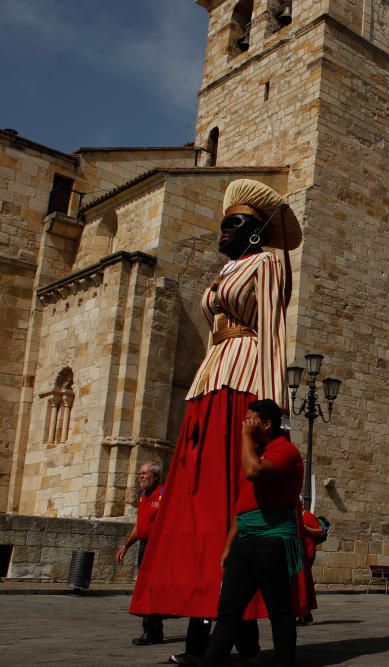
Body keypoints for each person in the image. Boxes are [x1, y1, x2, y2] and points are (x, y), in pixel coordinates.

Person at [129, 179, 300, 666]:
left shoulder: (267, 263)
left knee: (229, 496)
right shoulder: (226, 270)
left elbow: (271, 327)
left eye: (235, 224)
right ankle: (221, 626)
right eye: (223, 224)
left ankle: (225, 635)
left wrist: (270, 408)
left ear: (255, 233)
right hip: (212, 378)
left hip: (244, 376)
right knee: (199, 501)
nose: (223, 231)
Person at [202, 399, 304, 667]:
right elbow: (244, 509)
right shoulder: (256, 452)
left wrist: (246, 437)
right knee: (228, 613)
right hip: (245, 542)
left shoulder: (285, 451)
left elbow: (253, 473)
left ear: (267, 424)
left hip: (273, 541)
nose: (244, 425)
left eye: (250, 420)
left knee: (280, 614)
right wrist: (227, 547)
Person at [117, 462, 166, 646]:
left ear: (155, 476)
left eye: (144, 473)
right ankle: (153, 629)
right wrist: (126, 545)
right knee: (145, 587)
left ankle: (151, 631)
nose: (141, 476)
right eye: (140, 473)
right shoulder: (143, 496)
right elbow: (140, 526)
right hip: (144, 547)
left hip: (157, 548)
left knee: (151, 588)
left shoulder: (164, 494)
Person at [295, 506, 327, 625]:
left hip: (307, 553)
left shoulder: (307, 516)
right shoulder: (296, 516)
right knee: (301, 584)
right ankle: (304, 614)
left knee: (303, 583)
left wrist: (305, 528)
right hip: (298, 553)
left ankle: (304, 614)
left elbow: (320, 530)